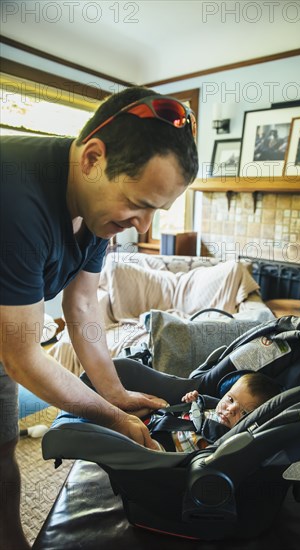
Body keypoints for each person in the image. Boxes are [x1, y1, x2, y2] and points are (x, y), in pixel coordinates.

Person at [0, 86, 198, 549]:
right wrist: (111, 417)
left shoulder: (96, 211)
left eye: (157, 211)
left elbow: (83, 305)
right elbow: (23, 355)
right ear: (92, 158)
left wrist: (116, 393)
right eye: (140, 204)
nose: (144, 227)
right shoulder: (15, 196)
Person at [149, 372, 281, 452]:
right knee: (154, 401)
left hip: (166, 449)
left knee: (135, 431)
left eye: (244, 413)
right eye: (230, 399)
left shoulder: (226, 438)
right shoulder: (215, 406)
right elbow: (196, 405)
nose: (230, 410)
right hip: (163, 422)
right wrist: (193, 399)